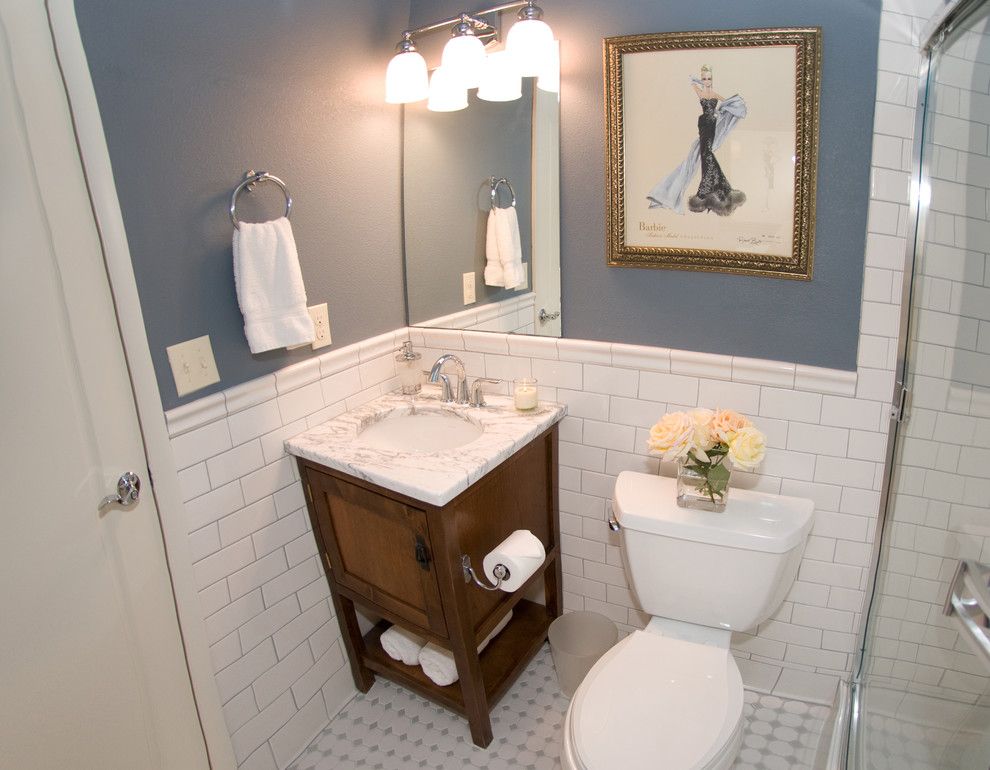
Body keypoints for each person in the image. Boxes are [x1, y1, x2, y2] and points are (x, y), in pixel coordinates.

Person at [647, 65, 747, 216]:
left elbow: (726, 102)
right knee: (706, 153)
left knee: (707, 153)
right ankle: (719, 188)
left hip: (711, 123)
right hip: (704, 124)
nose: (707, 81)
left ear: (712, 80)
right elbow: (692, 83)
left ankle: (710, 189)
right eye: (704, 78)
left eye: (709, 78)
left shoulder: (713, 93)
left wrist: (720, 112)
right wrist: (696, 81)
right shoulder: (700, 92)